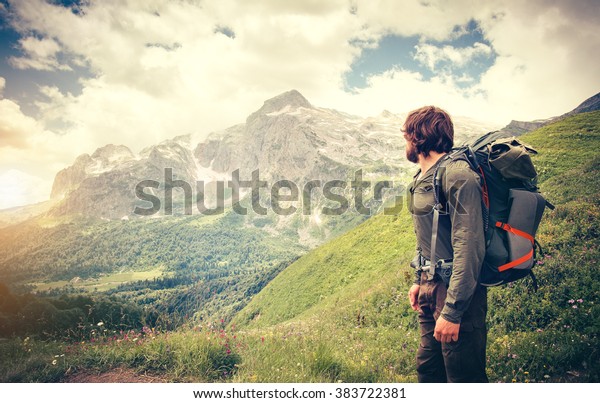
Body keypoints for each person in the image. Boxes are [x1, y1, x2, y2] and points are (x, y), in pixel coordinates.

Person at [404, 106, 488, 383]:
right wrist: (419, 279)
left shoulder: (458, 176)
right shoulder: (422, 178)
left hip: (457, 293)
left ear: (418, 136)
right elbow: (425, 234)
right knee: (429, 371)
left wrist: (453, 311)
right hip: (430, 287)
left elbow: (469, 247)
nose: (404, 141)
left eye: (406, 134)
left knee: (463, 378)